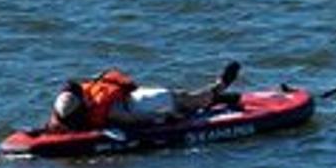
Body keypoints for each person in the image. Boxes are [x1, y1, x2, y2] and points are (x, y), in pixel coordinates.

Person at [46, 61, 241, 132]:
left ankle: (218, 89)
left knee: (188, 101)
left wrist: (165, 118)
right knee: (187, 102)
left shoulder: (109, 111)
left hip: (150, 102)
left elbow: (136, 119)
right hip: (136, 99)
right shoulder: (64, 107)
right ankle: (216, 99)